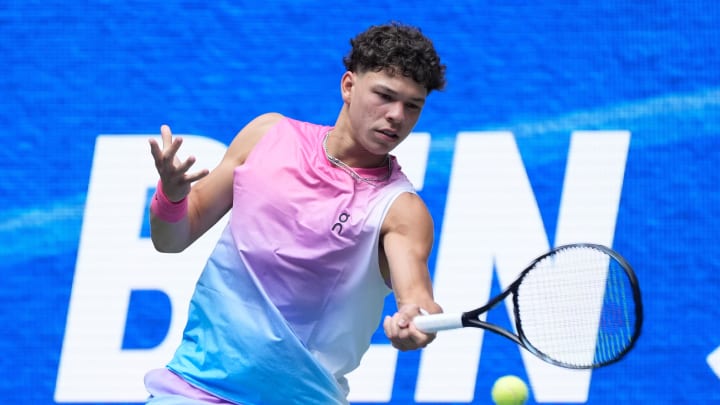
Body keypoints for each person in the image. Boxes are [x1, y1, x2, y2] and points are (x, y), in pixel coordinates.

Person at [144, 22, 447, 404]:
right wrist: (172, 196)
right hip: (196, 390)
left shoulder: (400, 209)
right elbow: (172, 240)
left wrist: (415, 321)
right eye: (384, 96)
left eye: (412, 106)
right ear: (349, 86)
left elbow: (415, 296)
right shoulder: (267, 135)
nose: (396, 116)